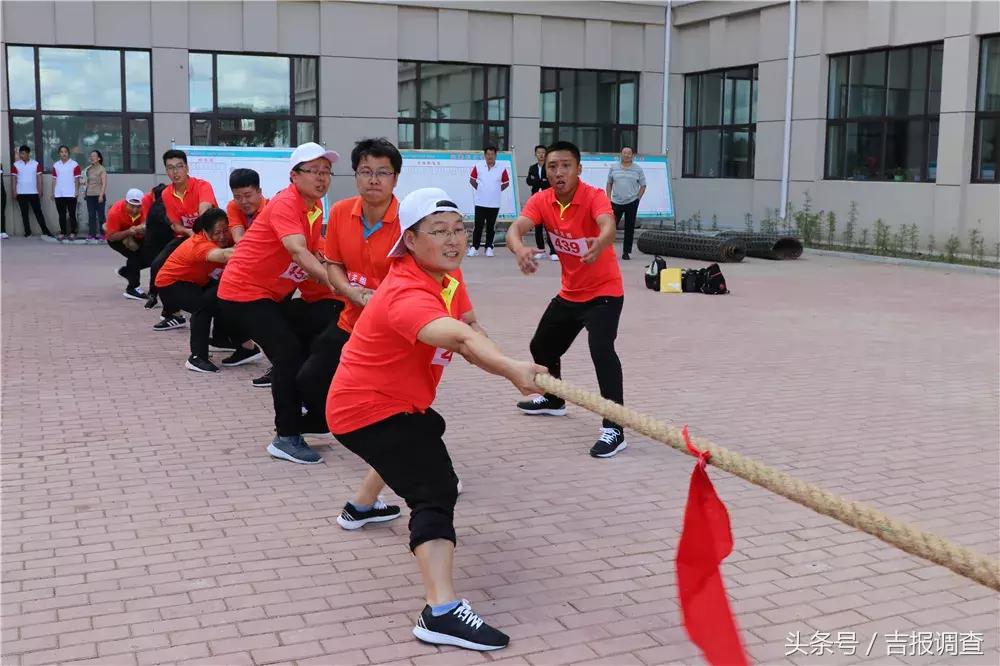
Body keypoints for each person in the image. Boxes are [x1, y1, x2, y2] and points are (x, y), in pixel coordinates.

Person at [328, 187, 542, 652]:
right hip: (366, 409)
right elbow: (458, 338)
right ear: (409, 240)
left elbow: (471, 328)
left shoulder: (448, 276)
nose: (454, 240)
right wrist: (510, 369)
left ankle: (360, 507)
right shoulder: (405, 290)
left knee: (425, 430)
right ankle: (440, 611)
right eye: (438, 231)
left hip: (395, 403)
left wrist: (510, 368)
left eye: (459, 229)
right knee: (434, 488)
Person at [218, 142, 339, 465]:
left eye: (326, 172)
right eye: (313, 171)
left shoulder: (314, 209)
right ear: (294, 176)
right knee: (287, 352)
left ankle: (304, 409)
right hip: (242, 293)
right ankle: (286, 436)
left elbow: (316, 256)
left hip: (270, 296)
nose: (322, 178)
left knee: (315, 332)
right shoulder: (287, 203)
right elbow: (300, 252)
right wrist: (336, 283)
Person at [504, 141, 628, 458]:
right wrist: (519, 250)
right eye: (552, 166)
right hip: (571, 293)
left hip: (604, 293)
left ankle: (614, 428)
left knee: (601, 350)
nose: (559, 172)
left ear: (579, 169)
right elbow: (516, 228)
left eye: (566, 166)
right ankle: (554, 397)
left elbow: (608, 225)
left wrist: (601, 243)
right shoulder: (543, 200)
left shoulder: (593, 196)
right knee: (541, 347)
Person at [295, 137, 401, 426]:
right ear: (356, 176)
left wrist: (377, 299)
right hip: (351, 318)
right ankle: (323, 420)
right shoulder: (341, 212)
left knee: (384, 393)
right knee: (310, 378)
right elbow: (334, 265)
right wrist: (349, 292)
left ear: (395, 178)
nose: (374, 180)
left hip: (392, 328)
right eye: (366, 171)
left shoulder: (409, 221)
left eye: (383, 172)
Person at [155, 208, 262, 373]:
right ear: (205, 231)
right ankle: (197, 357)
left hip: (197, 281)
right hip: (171, 284)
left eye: (225, 231)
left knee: (225, 300)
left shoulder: (226, 240)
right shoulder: (199, 244)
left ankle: (243, 347)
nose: (222, 236)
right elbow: (225, 255)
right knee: (202, 307)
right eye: (216, 233)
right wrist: (261, 253)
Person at [105, 188, 151, 300]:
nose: (135, 210)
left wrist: (143, 228)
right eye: (131, 206)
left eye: (138, 207)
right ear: (126, 203)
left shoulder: (147, 207)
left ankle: (127, 271)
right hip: (117, 238)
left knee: (152, 257)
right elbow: (111, 236)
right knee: (134, 256)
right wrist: (128, 232)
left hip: (138, 236)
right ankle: (132, 288)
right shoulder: (115, 212)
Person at [162, 149, 218, 238]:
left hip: (210, 233)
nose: (175, 172)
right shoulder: (166, 194)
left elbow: (204, 213)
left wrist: (197, 233)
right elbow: (176, 225)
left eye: (179, 166)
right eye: (170, 168)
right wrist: (188, 232)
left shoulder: (203, 186)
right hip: (187, 236)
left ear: (187, 168)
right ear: (166, 171)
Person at [467, 145, 509, 257]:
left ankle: (489, 247)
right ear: (484, 155)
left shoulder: (502, 168)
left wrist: (495, 191)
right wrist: (481, 189)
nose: (490, 156)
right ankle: (474, 248)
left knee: (491, 227)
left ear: (496, 155)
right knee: (478, 226)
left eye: (492, 154)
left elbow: (506, 183)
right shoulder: (478, 166)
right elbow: (472, 180)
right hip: (480, 202)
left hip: (494, 203)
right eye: (488, 154)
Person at [606, 146, 646, 260]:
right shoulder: (614, 168)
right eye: (624, 153)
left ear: (632, 155)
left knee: (629, 228)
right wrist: (608, 198)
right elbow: (609, 183)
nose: (626, 155)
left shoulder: (637, 169)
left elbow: (643, 185)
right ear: (621, 154)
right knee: (611, 227)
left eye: (629, 153)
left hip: (631, 202)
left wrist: (638, 198)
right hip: (615, 202)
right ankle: (607, 250)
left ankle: (626, 252)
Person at [12, 145, 55, 240]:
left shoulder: (35, 164)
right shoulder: (16, 165)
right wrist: (14, 191)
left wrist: (40, 190)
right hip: (21, 193)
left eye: (23, 153)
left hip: (33, 193)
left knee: (38, 213)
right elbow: (14, 179)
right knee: (24, 213)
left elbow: (39, 178)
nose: (21, 155)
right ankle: (27, 232)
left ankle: (45, 231)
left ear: (28, 153)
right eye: (20, 153)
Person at [525, 144, 557, 261]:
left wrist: (537, 181)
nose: (541, 155)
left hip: (548, 199)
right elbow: (529, 181)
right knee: (537, 226)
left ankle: (553, 251)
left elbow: (550, 182)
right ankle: (541, 249)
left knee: (550, 226)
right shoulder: (532, 168)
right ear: (535, 154)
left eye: (543, 152)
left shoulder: (551, 167)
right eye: (538, 153)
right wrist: (541, 181)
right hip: (536, 200)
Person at [226, 168, 268, 245]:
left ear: (259, 192)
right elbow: (238, 237)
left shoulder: (270, 208)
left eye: (248, 196)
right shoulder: (233, 206)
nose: (243, 202)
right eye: (237, 197)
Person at [50, 145, 81, 242]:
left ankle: (73, 232)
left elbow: (77, 179)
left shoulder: (74, 164)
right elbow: (54, 180)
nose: (63, 153)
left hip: (71, 193)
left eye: (65, 152)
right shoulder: (56, 165)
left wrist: (76, 190)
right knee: (61, 214)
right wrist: (53, 192)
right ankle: (63, 232)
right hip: (59, 193)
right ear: (59, 153)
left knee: (72, 214)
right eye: (61, 152)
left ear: (68, 153)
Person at [81, 150, 107, 243]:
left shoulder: (102, 169)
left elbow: (104, 184)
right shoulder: (88, 169)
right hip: (89, 195)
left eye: (94, 156)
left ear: (99, 158)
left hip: (99, 195)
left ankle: (103, 234)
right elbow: (86, 182)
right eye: (91, 156)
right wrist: (84, 192)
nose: (92, 158)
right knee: (91, 215)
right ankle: (92, 234)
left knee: (101, 216)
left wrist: (101, 195)